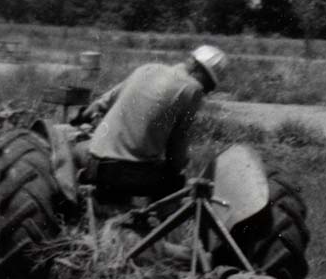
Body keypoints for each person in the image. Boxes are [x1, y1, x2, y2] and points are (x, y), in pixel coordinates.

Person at [79, 45, 228, 199]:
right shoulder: (192, 89)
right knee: (176, 181)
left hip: (94, 166)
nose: (207, 91)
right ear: (198, 70)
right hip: (127, 175)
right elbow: (177, 146)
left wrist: (83, 118)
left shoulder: (148, 69)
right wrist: (179, 166)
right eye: (209, 85)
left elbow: (101, 103)